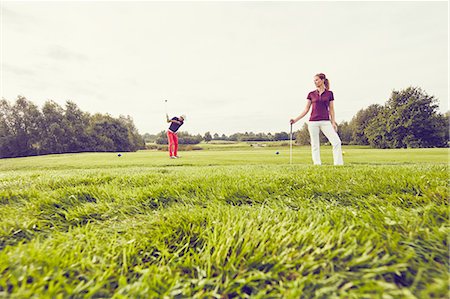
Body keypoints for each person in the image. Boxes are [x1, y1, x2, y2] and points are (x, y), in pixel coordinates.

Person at [290, 73, 344, 165]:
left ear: (323, 80)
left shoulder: (329, 94)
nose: (315, 82)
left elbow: (331, 109)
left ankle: (338, 164)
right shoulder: (311, 94)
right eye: (314, 80)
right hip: (313, 122)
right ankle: (317, 164)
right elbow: (306, 109)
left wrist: (333, 122)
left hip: (325, 121)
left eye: (317, 80)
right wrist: (295, 120)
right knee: (315, 144)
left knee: (336, 142)